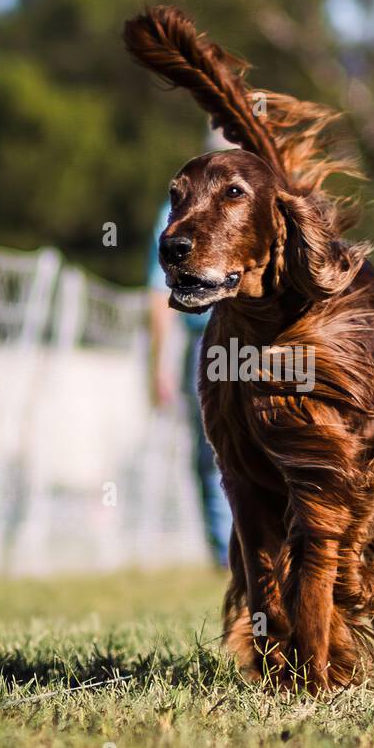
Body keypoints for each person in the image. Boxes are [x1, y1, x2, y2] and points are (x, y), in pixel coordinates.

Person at [148, 198, 231, 567]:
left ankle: (247, 553)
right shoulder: (175, 215)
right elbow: (158, 291)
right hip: (208, 340)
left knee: (220, 453)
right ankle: (233, 558)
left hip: (254, 338)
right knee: (215, 454)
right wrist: (159, 365)